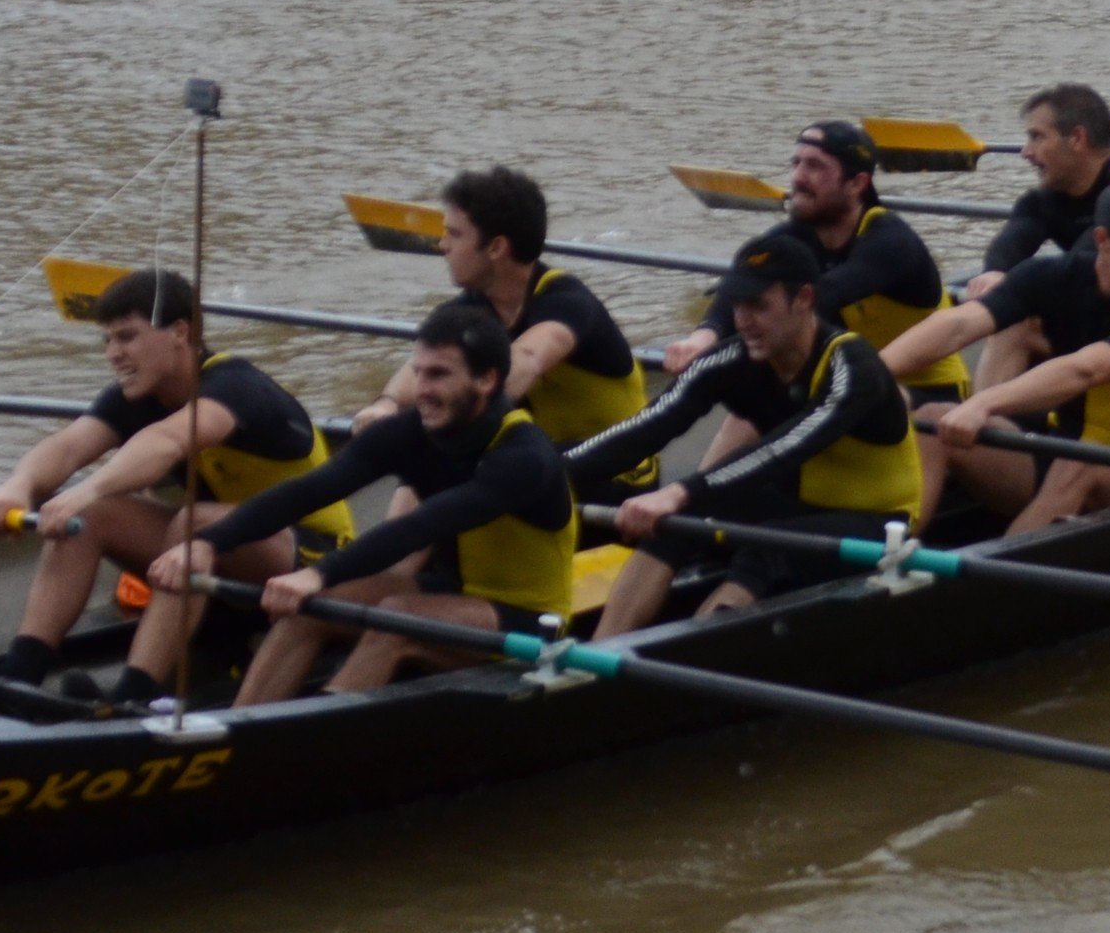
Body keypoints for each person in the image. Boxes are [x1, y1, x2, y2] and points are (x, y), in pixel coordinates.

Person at [152, 300, 577, 705]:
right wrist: (211, 542)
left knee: (395, 618)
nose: (423, 390)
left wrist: (318, 572)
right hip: (450, 591)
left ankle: (316, 737)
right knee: (311, 609)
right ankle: (239, 730)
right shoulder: (409, 432)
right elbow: (310, 491)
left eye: (439, 375)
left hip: (528, 618)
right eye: (419, 373)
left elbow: (422, 526)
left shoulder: (523, 457)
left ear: (487, 380)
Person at [0, 268, 351, 706]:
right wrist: (19, 486)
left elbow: (167, 442)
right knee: (89, 517)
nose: (113, 354)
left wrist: (86, 488)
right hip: (222, 553)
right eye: (107, 340)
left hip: (316, 558)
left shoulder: (237, 388)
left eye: (127, 337)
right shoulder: (138, 394)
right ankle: (19, 676)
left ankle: (135, 696)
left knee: (193, 522)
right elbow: (68, 445)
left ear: (179, 332)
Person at [573, 229, 924, 632]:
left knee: (761, 547)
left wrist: (680, 490)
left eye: (758, 305)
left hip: (876, 522)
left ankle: (692, 662)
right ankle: (602, 655)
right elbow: (649, 424)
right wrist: (555, 474)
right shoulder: (733, 357)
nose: (743, 321)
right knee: (676, 522)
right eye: (737, 304)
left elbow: (783, 449)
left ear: (804, 299)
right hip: (794, 505)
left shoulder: (852, 365)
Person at [880, 172, 1110, 530]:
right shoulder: (1054, 277)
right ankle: (893, 558)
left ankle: (999, 579)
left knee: (1080, 463)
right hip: (1059, 454)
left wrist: (982, 404)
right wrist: (871, 373)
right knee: (934, 418)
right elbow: (960, 323)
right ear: (1103, 240)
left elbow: (1085, 370)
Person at [356, 165, 652, 497]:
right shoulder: (467, 311)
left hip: (621, 468)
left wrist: (450, 416)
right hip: (549, 460)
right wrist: (388, 404)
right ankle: (401, 547)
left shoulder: (568, 302)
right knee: (425, 475)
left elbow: (527, 359)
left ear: (496, 247)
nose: (441, 245)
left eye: (454, 234)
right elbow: (424, 367)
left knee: (460, 464)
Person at [658, 121, 967, 406]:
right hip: (855, 379)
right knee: (754, 407)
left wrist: (738, 350)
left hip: (931, 393)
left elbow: (826, 296)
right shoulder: (794, 236)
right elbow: (741, 285)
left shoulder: (890, 241)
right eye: (796, 163)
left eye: (815, 166)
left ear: (857, 183)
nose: (797, 177)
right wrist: (704, 336)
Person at [966, 83, 1110, 303]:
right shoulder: (1042, 201)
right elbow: (1013, 242)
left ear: (1077, 138)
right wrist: (993, 275)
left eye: (1037, 137)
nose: (1025, 152)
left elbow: (1077, 268)